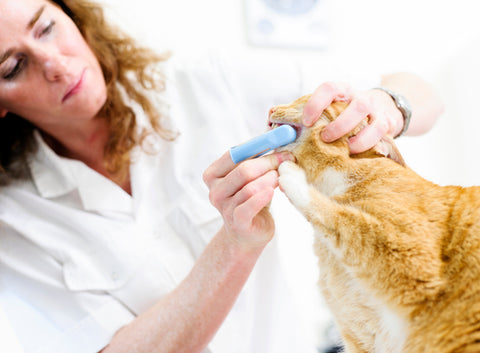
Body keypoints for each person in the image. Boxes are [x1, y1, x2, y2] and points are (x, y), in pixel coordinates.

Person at [0, 0, 443, 352]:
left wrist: (388, 106)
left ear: (71, 15)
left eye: (46, 28)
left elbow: (423, 94)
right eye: (12, 67)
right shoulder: (14, 220)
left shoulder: (202, 83)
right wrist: (235, 244)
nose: (54, 63)